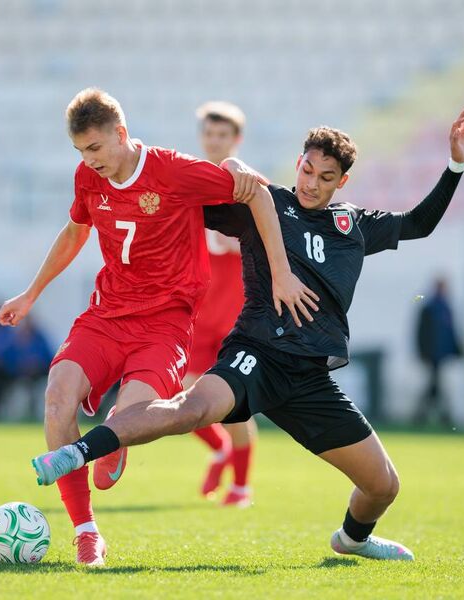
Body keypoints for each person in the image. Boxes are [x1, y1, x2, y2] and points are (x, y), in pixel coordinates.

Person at [32, 107, 464, 562]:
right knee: (192, 408)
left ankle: (352, 540)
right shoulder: (267, 205)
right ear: (298, 162)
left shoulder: (354, 225)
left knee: (383, 486)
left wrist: (456, 164)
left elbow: (418, 224)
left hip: (310, 377)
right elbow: (183, 195)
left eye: (325, 177)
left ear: (342, 182)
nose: (311, 183)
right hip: (257, 355)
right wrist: (230, 166)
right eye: (307, 169)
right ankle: (79, 452)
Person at [0, 88, 317, 566]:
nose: (89, 160)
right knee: (58, 394)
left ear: (121, 134)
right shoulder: (88, 176)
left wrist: (282, 272)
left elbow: (258, 194)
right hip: (107, 313)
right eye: (80, 151)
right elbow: (76, 231)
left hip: (165, 324)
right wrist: (31, 293)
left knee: (131, 416)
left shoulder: (173, 171)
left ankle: (125, 438)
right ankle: (86, 532)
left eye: (95, 148)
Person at [188, 101, 257, 507]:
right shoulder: (189, 182)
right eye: (209, 134)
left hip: (236, 317)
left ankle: (241, 488)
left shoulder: (249, 187)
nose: (215, 141)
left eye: (223, 135)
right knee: (182, 402)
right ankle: (220, 450)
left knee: (236, 408)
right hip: (197, 315)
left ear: (237, 139)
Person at [414, 277, 464, 426]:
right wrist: (422, 352)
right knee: (435, 385)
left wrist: (458, 350)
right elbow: (422, 332)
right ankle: (438, 415)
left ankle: (425, 415)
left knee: (435, 385)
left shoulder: (446, 308)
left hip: (442, 354)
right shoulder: (429, 308)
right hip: (432, 354)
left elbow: (451, 332)